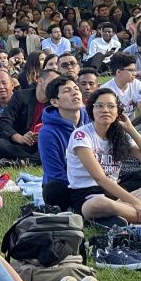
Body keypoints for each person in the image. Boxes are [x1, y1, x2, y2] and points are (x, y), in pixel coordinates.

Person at [67, 87, 141, 223]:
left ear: (118, 112)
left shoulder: (118, 136)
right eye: (99, 106)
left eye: (111, 106)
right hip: (87, 197)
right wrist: (136, 203)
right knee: (100, 203)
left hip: (113, 194)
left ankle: (121, 214)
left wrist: (130, 129)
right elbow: (100, 178)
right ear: (92, 110)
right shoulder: (81, 135)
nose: (105, 110)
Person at [37, 76, 90, 211]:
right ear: (54, 102)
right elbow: (55, 174)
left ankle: (87, 207)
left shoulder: (93, 119)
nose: (75, 93)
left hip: (99, 181)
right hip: (69, 185)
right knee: (54, 190)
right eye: (67, 91)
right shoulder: (48, 132)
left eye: (76, 89)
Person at [0, 68, 58, 164]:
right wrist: (21, 138)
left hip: (43, 144)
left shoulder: (56, 102)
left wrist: (43, 136)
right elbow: (4, 122)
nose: (55, 87)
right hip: (20, 144)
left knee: (54, 148)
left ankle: (23, 162)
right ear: (40, 81)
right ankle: (31, 161)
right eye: (53, 83)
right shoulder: (21, 96)